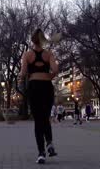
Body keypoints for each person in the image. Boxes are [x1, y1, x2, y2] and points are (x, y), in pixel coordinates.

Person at [19, 29, 59, 164]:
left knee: (38, 120)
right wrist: (48, 77)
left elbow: (23, 72)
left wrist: (20, 79)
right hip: (47, 87)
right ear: (42, 40)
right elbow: (56, 70)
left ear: (32, 40)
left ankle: (41, 153)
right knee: (45, 118)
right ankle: (50, 143)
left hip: (34, 87)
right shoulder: (49, 54)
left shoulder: (27, 55)